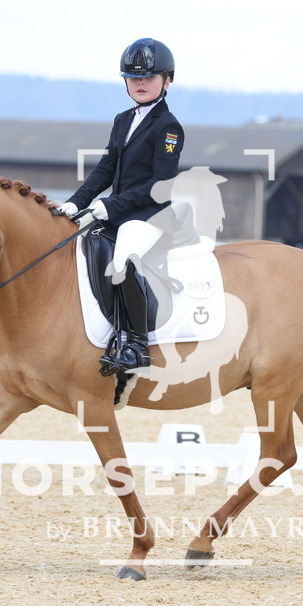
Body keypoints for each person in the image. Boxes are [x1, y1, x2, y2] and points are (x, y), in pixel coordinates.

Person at [56, 38, 184, 377]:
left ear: (167, 81)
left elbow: (160, 184)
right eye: (134, 78)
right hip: (118, 212)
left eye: (149, 78)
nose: (140, 84)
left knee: (123, 261)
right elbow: (105, 170)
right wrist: (75, 203)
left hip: (150, 214)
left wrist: (110, 206)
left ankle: (136, 345)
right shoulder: (122, 120)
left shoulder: (168, 127)